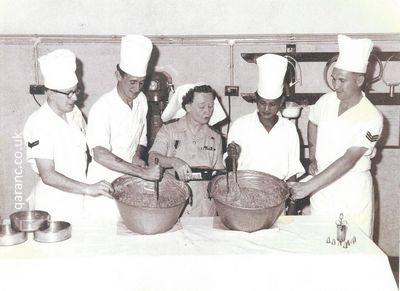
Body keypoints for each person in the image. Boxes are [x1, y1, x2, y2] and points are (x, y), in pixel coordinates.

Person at [288, 35, 383, 237]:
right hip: (322, 190)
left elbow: (349, 159)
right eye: (334, 79)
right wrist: (312, 155)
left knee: (351, 247)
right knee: (321, 243)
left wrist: (307, 187)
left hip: (351, 191)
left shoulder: (371, 116)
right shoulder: (326, 101)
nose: (335, 85)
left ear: (359, 80)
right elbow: (313, 122)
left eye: (342, 80)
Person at [23, 49, 113, 223]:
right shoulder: (39, 123)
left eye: (75, 91)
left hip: (78, 197)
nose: (74, 98)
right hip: (54, 204)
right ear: (50, 93)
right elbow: (48, 175)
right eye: (68, 93)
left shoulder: (74, 113)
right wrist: (88, 188)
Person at [86, 35, 161, 221]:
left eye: (141, 82)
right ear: (118, 75)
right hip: (104, 186)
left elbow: (141, 139)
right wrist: (143, 172)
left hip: (130, 183)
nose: (137, 88)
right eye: (132, 82)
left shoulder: (141, 100)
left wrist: (137, 155)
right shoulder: (102, 108)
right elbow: (100, 154)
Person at [148, 84, 226, 216]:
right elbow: (152, 159)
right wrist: (174, 162)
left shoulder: (215, 137)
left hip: (204, 210)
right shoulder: (169, 131)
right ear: (188, 107)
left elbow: (218, 174)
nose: (207, 111)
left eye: (211, 106)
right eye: (201, 107)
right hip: (174, 208)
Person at [227, 54, 305, 185]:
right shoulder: (240, 125)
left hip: (278, 191)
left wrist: (292, 204)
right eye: (262, 103)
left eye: (272, 104)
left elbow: (293, 170)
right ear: (256, 99)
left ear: (281, 103)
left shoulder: (289, 129)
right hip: (246, 188)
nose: (266, 109)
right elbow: (229, 167)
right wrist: (232, 156)